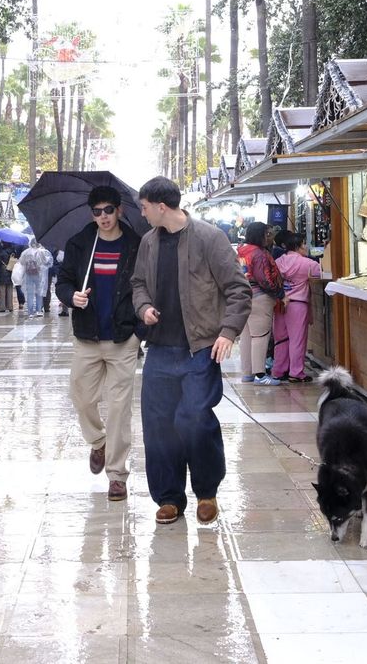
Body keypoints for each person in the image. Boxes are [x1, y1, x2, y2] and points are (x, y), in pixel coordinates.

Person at [130, 176, 250, 526]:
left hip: (199, 349)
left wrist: (228, 332)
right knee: (159, 425)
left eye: (144, 206)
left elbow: (238, 289)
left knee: (194, 419)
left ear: (161, 206)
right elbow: (138, 284)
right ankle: (168, 497)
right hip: (160, 351)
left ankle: (207, 492)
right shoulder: (148, 243)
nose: (142, 213)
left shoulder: (209, 238)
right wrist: (144, 307)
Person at [56, 186, 142, 502]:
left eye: (108, 210)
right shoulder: (80, 244)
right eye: (97, 211)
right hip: (87, 336)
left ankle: (117, 475)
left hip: (122, 338)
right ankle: (97, 442)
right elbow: (63, 281)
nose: (103, 216)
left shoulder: (135, 244)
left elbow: (146, 286)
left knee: (119, 409)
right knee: (81, 397)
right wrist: (71, 296)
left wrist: (139, 333)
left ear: (119, 210)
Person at [269, 232, 323, 383]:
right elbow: (322, 273)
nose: (306, 247)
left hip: (280, 303)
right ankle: (296, 372)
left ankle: (279, 370)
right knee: (297, 340)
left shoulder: (278, 261)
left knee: (281, 338)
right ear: (298, 246)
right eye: (304, 244)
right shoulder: (307, 264)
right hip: (298, 305)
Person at [237, 222, 282, 385]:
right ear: (259, 235)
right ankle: (260, 375)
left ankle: (247, 373)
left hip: (243, 296)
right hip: (260, 297)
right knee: (260, 336)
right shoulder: (259, 253)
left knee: (246, 336)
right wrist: (279, 293)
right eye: (267, 234)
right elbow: (265, 279)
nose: (269, 237)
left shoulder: (242, 250)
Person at [18, 239, 52, 318]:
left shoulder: (26, 252)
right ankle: (38, 310)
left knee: (29, 293)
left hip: (28, 274)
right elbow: (47, 262)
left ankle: (30, 312)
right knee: (39, 293)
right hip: (39, 274)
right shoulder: (42, 252)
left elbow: (21, 262)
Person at [0, 246, 15, 313]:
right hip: (11, 272)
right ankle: (10, 306)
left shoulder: (0, 252)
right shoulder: (13, 251)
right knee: (10, 290)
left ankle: (2, 307)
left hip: (2, 273)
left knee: (2, 291)